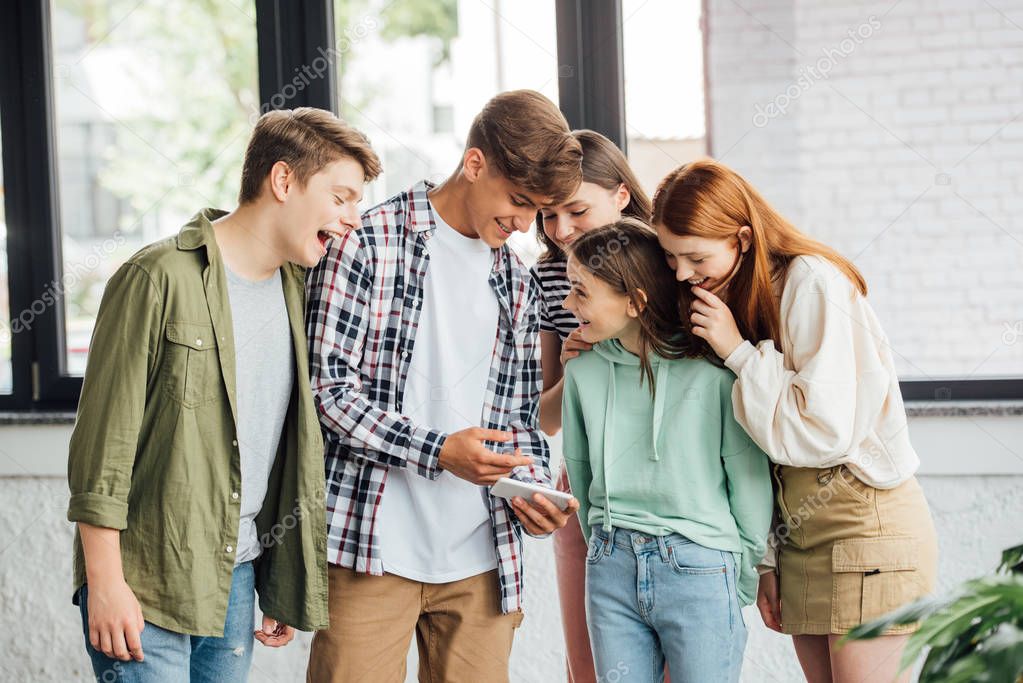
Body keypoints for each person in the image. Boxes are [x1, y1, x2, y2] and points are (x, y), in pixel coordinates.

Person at [67, 107, 381, 682]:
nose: (352, 218)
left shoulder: (299, 292)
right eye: (341, 197)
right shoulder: (157, 277)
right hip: (145, 579)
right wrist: (105, 584)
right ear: (283, 180)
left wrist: (278, 583)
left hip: (235, 578)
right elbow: (101, 450)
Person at [304, 89, 583, 683]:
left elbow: (520, 417)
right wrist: (439, 451)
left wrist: (531, 489)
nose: (525, 224)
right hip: (371, 549)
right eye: (517, 201)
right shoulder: (367, 243)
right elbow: (328, 390)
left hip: (482, 559)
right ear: (474, 163)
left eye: (537, 209)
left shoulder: (516, 279)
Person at [653, 158, 938, 683]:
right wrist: (767, 560)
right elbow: (750, 448)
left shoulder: (811, 280)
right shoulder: (738, 297)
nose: (683, 274)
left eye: (694, 256)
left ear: (741, 237)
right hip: (799, 533)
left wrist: (738, 353)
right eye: (671, 258)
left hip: (865, 523)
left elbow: (826, 431)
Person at [561, 219, 773, 683]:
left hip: (700, 564)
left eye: (581, 292)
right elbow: (580, 475)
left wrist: (740, 575)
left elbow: (749, 484)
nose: (567, 304)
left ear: (635, 302)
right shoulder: (582, 373)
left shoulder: (715, 376)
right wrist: (601, 545)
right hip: (611, 565)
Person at [531, 129, 655, 683]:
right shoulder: (551, 280)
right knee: (590, 669)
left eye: (576, 210)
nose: (561, 231)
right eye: (548, 216)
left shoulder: (668, 267)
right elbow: (544, 414)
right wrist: (579, 361)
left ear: (622, 194)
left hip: (669, 497)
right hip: (587, 491)